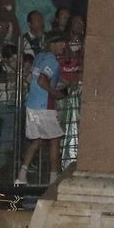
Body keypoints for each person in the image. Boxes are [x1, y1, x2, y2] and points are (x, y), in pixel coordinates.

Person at [19, 33, 68, 186]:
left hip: (31, 103)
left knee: (37, 140)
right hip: (44, 105)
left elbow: (32, 78)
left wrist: (64, 81)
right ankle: (53, 178)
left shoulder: (40, 56)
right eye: (60, 43)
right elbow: (42, 81)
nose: (64, 46)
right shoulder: (52, 60)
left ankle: (21, 176)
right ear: (52, 44)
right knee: (55, 139)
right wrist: (57, 94)